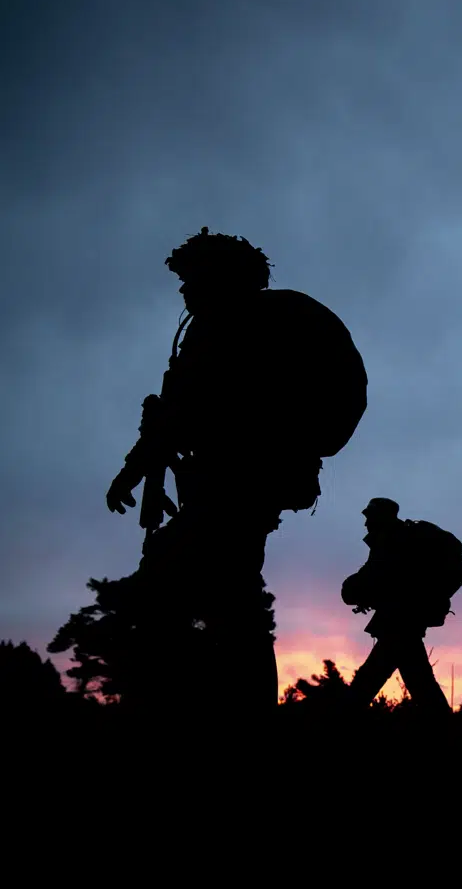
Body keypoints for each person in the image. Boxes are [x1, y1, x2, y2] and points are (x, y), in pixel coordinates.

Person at [104, 227, 367, 716]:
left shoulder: (235, 327)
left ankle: (204, 710)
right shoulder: (233, 326)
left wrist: (135, 467)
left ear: (221, 276)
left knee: (182, 593)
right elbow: (182, 413)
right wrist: (143, 464)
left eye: (192, 277)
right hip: (242, 485)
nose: (184, 289)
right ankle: (228, 709)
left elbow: (187, 412)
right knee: (228, 599)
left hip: (236, 485)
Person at [340, 498, 460, 717]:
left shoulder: (392, 541)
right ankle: (448, 732)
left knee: (365, 687)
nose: (366, 523)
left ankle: (329, 731)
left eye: (369, 517)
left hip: (399, 625)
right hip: (404, 624)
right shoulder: (394, 539)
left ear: (381, 517)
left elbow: (378, 578)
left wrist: (351, 588)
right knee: (421, 686)